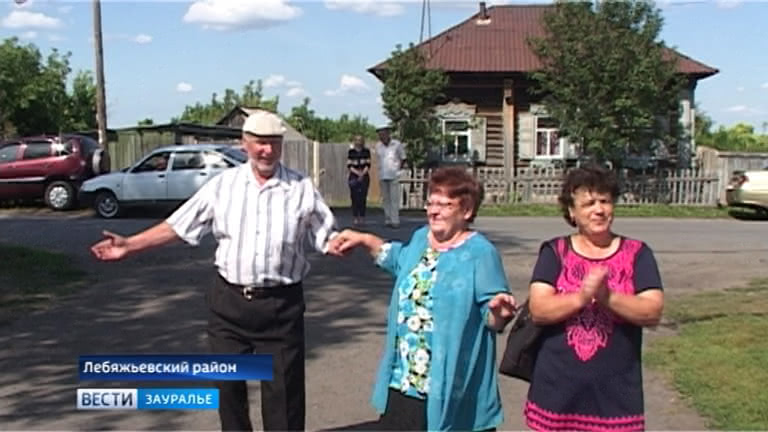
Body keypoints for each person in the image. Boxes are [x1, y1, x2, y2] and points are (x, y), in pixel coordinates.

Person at [89, 111, 341, 432]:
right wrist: (130, 245)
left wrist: (338, 244)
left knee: (284, 397)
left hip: (281, 308)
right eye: (259, 143)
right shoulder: (223, 186)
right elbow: (179, 225)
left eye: (273, 143)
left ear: (281, 146)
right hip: (229, 307)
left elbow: (326, 234)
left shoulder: (301, 188)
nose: (267, 150)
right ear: (244, 144)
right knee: (228, 392)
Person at [331, 166, 518, 431]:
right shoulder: (422, 239)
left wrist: (499, 314)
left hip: (450, 385)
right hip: (405, 380)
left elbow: (493, 318)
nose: (433, 210)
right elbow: (399, 258)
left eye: (444, 204)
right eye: (430, 202)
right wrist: (364, 239)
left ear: (466, 210)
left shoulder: (480, 253)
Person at [524, 164, 664, 431]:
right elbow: (539, 309)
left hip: (617, 395)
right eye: (588, 203)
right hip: (557, 392)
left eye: (605, 201)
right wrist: (582, 297)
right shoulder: (555, 251)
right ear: (571, 212)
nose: (598, 210)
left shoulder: (638, 253)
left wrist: (608, 297)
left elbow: (652, 311)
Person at [374, 125, 406, 229]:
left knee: (394, 199)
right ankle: (387, 219)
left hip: (394, 174)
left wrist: (399, 170)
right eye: (379, 134)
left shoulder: (396, 144)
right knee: (385, 199)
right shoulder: (378, 146)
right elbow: (378, 160)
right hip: (383, 174)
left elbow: (403, 158)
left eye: (383, 134)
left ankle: (395, 220)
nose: (381, 136)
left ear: (388, 134)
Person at [347, 134, 371, 226]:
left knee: (362, 198)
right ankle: (355, 217)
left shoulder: (366, 151)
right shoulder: (351, 152)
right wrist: (357, 173)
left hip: (364, 176)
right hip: (353, 176)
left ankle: (362, 218)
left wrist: (362, 174)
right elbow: (349, 165)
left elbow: (368, 165)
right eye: (356, 140)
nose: (358, 142)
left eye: (360, 140)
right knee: (354, 197)